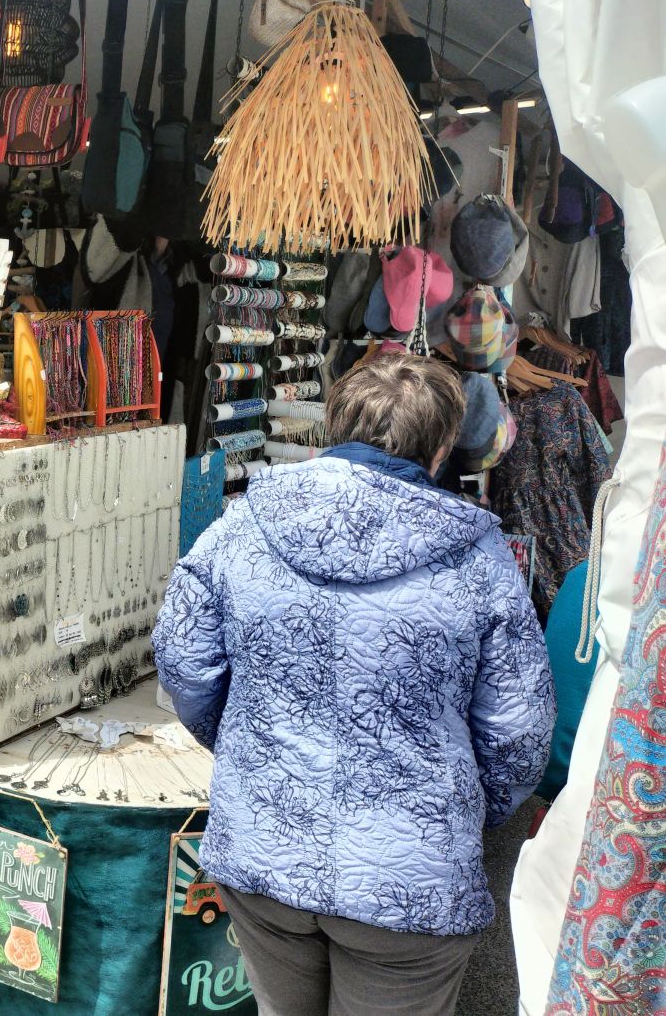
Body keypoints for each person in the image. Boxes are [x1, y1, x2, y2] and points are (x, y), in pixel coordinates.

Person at [152, 353, 554, 1016]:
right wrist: (456, 811)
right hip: (408, 881)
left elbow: (184, 660)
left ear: (330, 428)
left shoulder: (242, 526)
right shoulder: (477, 558)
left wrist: (253, 749)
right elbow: (518, 735)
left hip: (266, 850)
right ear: (442, 446)